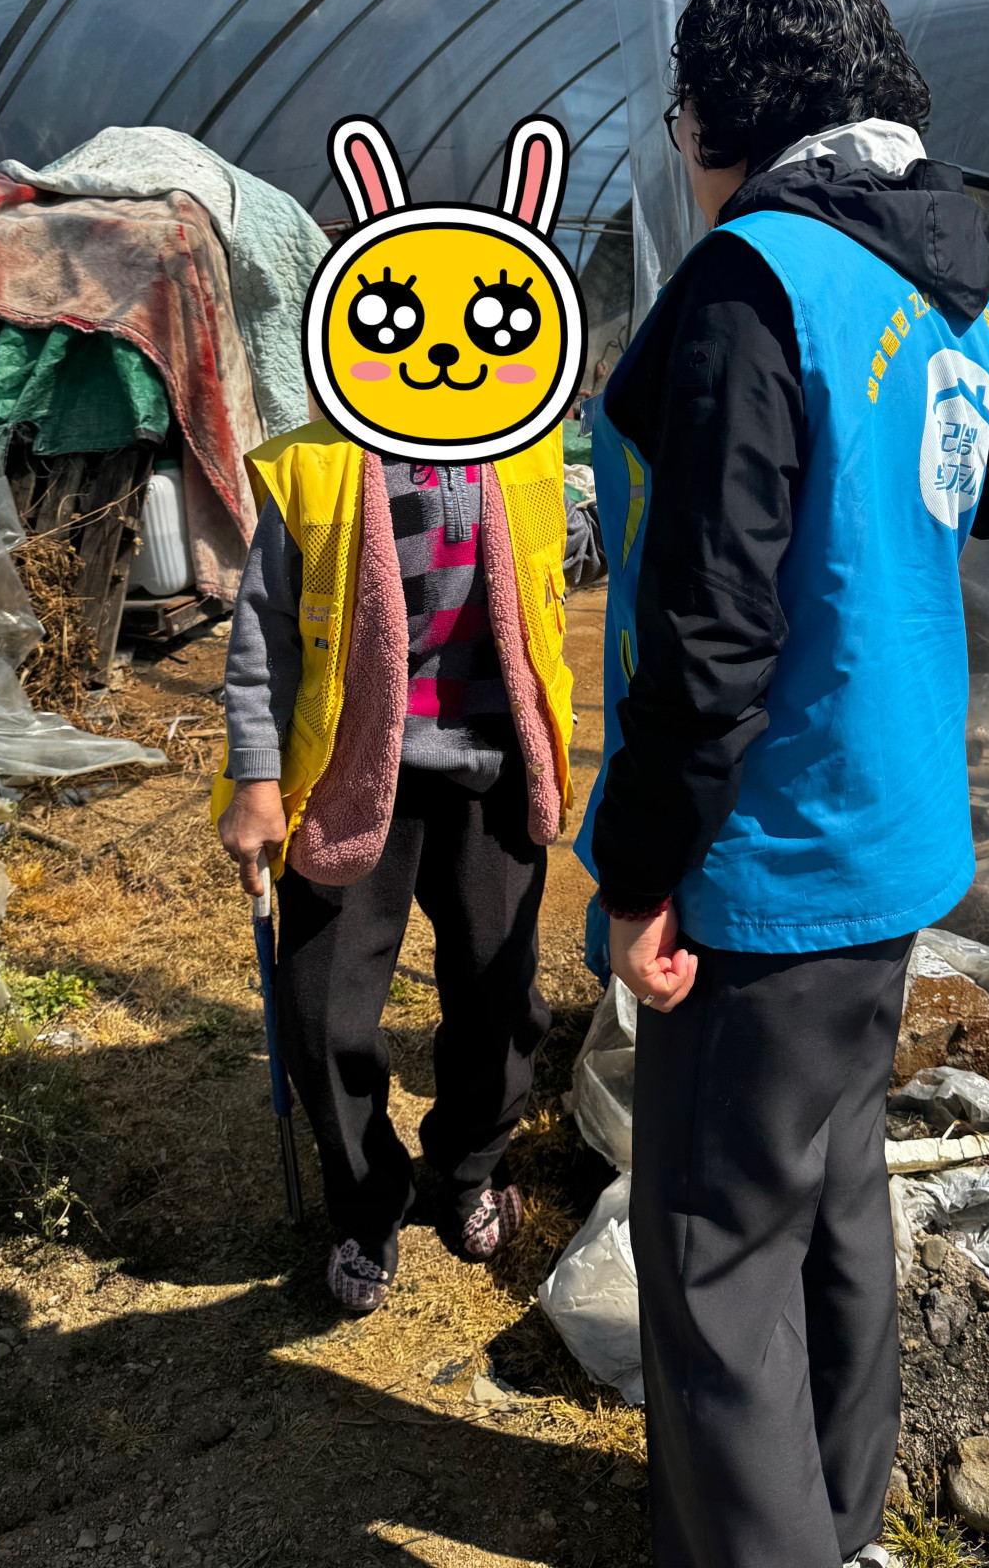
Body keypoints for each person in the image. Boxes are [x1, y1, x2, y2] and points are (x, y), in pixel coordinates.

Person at [579, 0, 989, 1568]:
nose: (680, 149)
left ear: (725, 113)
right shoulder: (947, 278)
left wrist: (641, 871)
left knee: (714, 1243)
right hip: (894, 828)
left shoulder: (755, 278)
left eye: (679, 118)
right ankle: (837, 1521)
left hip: (770, 856)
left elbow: (713, 633)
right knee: (833, 1189)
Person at [214, 427, 574, 1314]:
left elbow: (560, 569)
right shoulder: (316, 468)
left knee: (499, 999)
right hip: (347, 780)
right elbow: (264, 633)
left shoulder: (528, 451)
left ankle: (469, 1170)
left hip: (492, 773)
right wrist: (256, 779)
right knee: (322, 1013)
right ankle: (368, 1203)